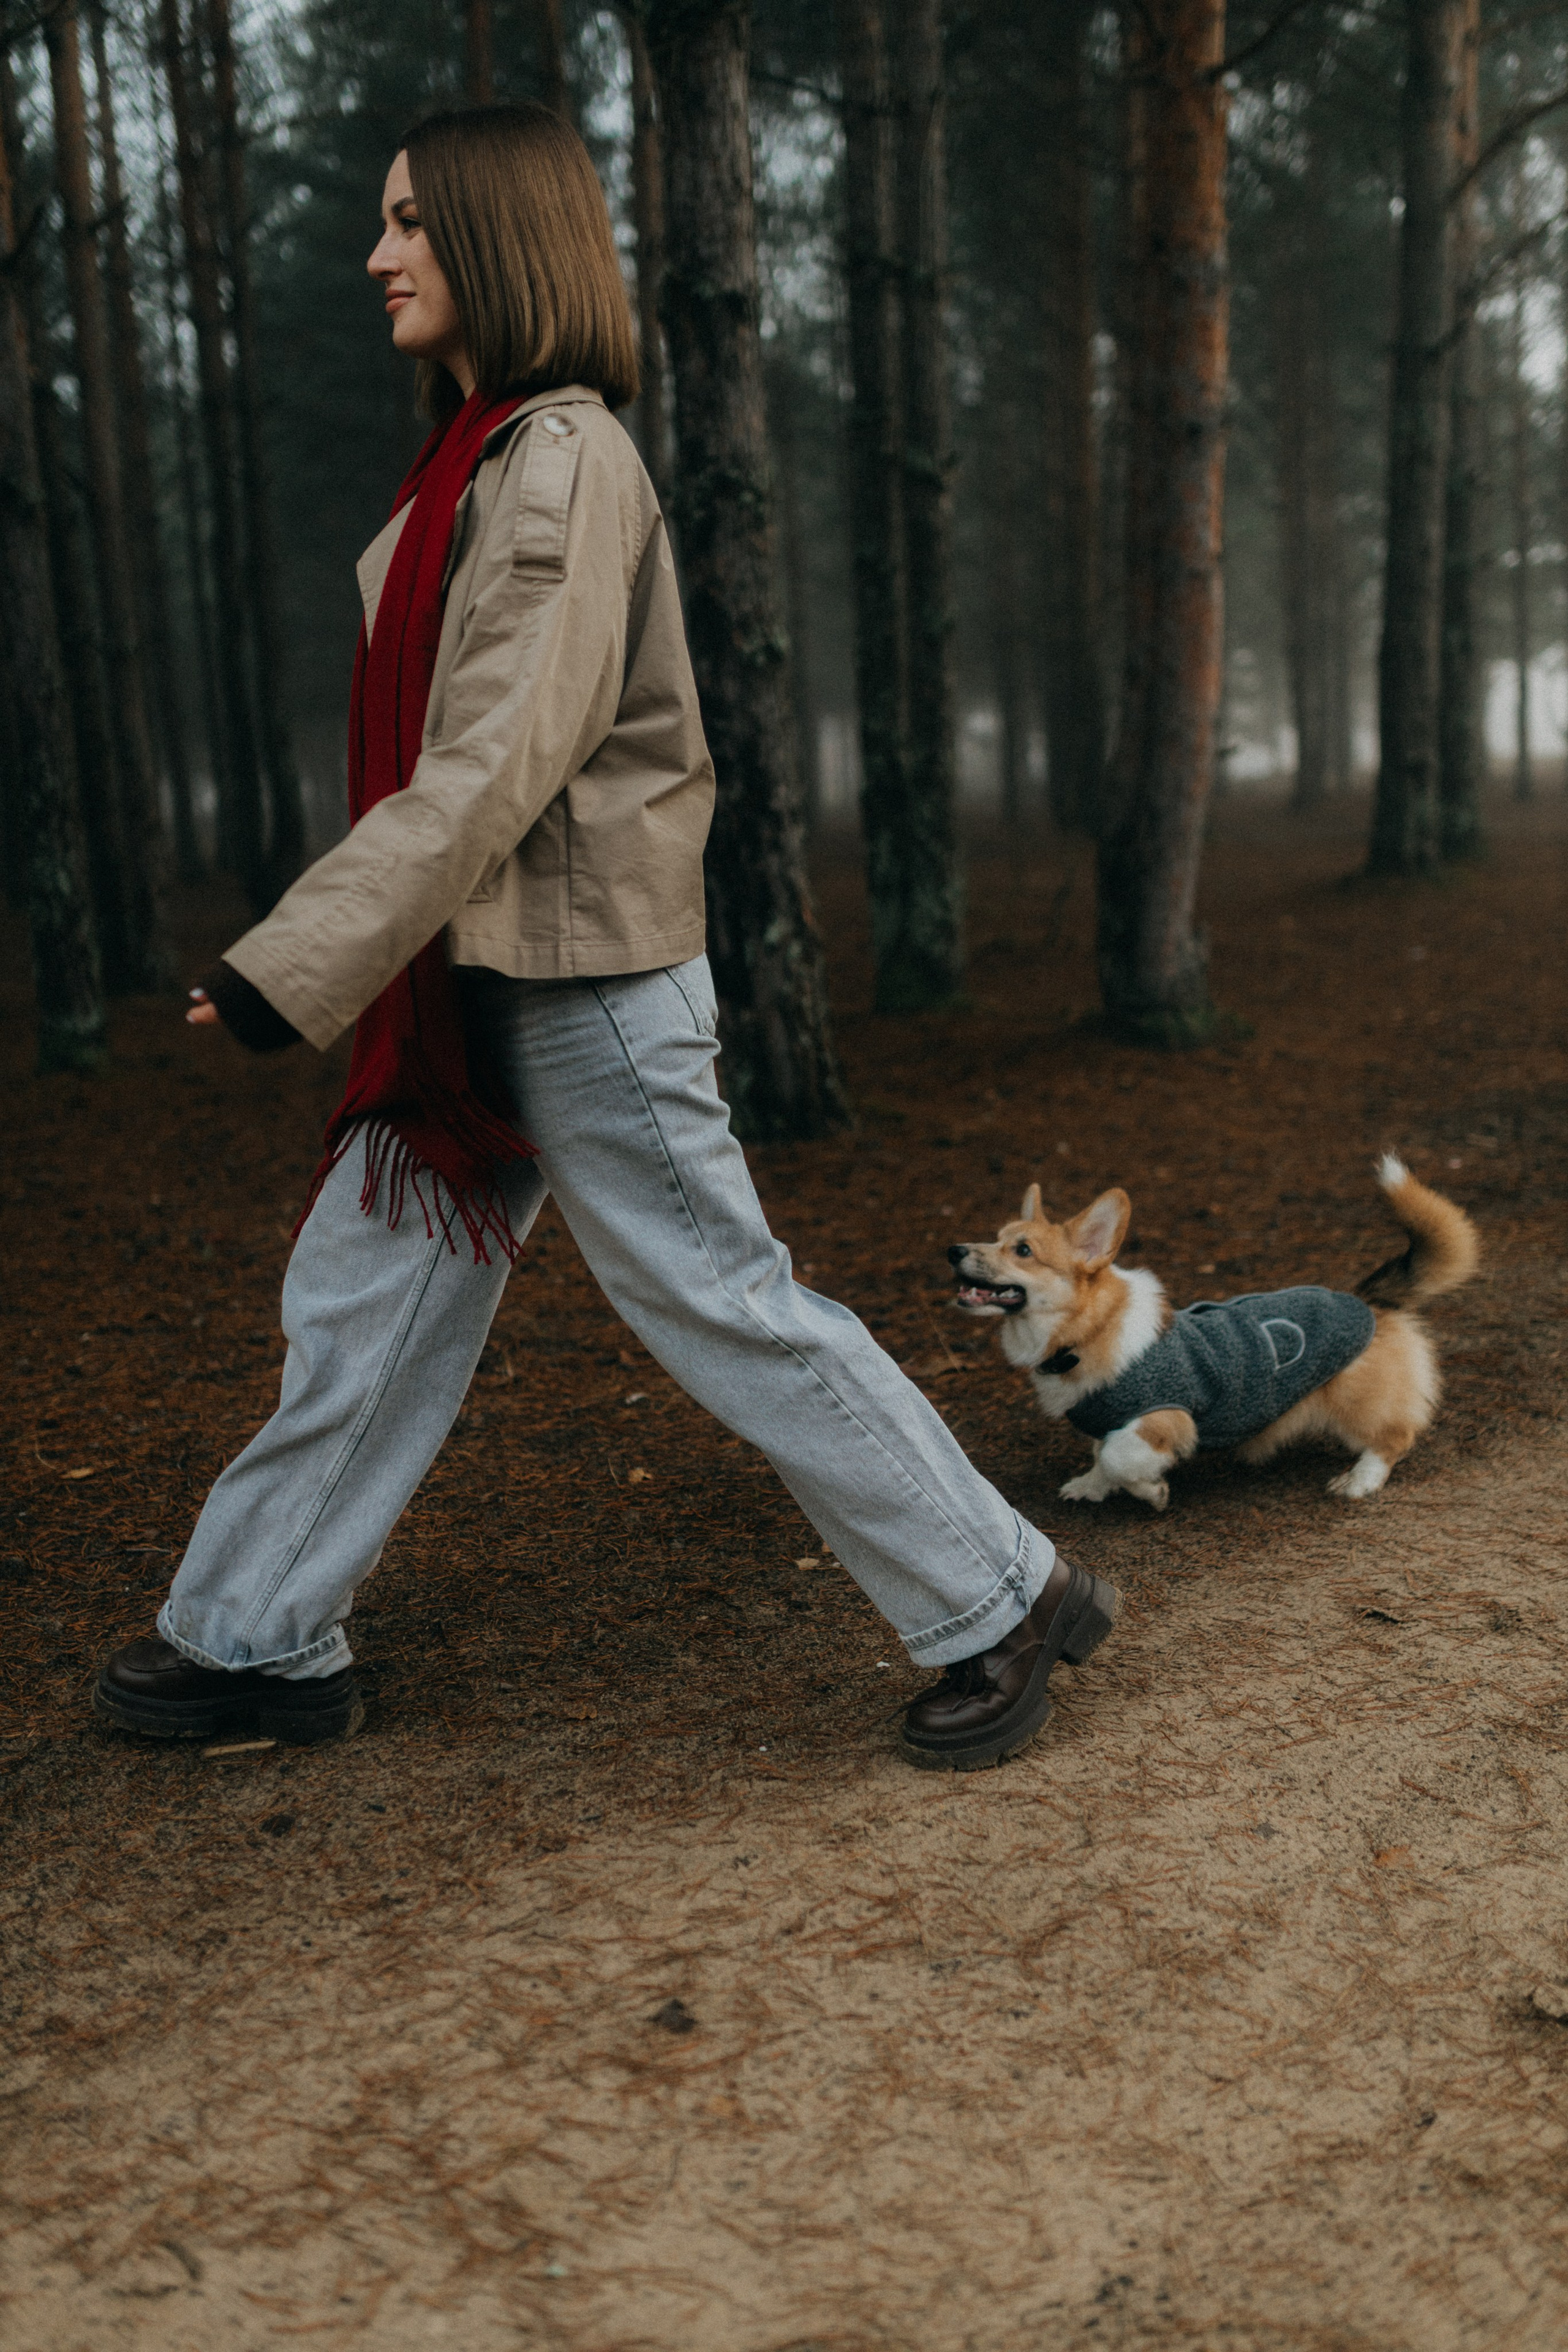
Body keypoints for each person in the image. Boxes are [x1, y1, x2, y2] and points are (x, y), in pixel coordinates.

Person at [92, 103, 1117, 1774]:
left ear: (501, 238)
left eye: (414, 220)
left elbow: (494, 758)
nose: (380, 252)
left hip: (583, 986)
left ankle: (1004, 1595)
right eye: (381, 221)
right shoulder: (479, 461)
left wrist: (291, 962)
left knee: (727, 1307)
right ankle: (257, 1635)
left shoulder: (560, 461)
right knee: (362, 1304)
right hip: (466, 985)